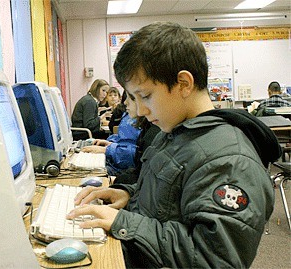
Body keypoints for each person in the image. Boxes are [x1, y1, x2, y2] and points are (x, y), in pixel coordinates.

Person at [67, 21, 281, 268]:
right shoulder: (175, 132)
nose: (141, 110)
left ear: (183, 83)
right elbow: (168, 200)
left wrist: (122, 222)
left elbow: (215, 259)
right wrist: (129, 195)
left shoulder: (230, 160)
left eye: (146, 96)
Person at [81, 91, 141, 176]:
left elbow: (136, 155)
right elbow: (124, 140)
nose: (125, 102)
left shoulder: (144, 123)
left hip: (122, 169)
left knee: (86, 173)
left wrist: (107, 149)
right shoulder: (128, 114)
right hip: (116, 161)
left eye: (130, 98)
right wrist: (109, 142)